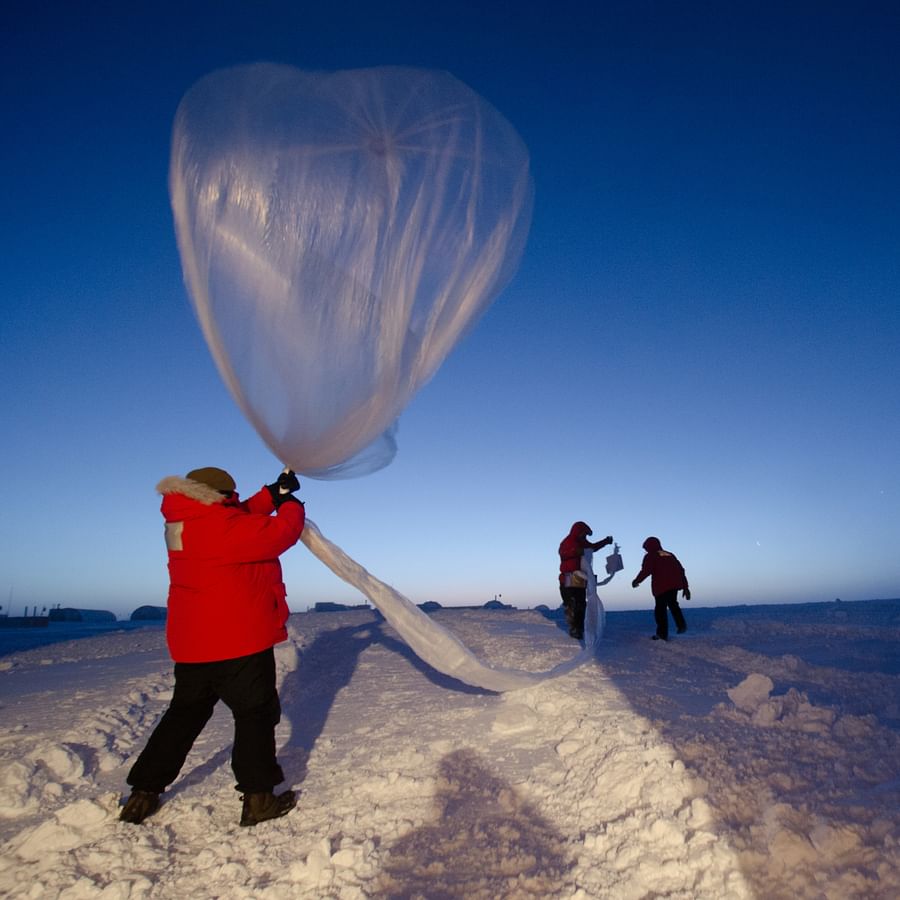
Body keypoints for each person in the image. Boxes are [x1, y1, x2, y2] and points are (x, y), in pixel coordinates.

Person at [119, 466, 305, 827]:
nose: (234, 502)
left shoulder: (182, 523)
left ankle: (143, 793)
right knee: (255, 716)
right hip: (239, 643)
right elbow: (281, 533)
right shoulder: (226, 527)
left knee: (183, 717)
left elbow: (234, 520)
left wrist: (270, 494)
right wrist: (290, 505)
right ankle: (258, 799)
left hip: (193, 645)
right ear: (220, 496)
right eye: (231, 496)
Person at [558, 522, 613, 639]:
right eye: (583, 534)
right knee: (572, 603)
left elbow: (592, 548)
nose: (584, 537)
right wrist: (576, 551)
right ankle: (574, 625)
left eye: (585, 535)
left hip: (580, 577)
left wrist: (605, 542)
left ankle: (579, 628)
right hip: (568, 577)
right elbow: (563, 553)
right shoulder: (568, 542)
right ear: (578, 532)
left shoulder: (582, 542)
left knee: (580, 603)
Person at [631, 536, 690, 641]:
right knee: (673, 605)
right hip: (674, 585)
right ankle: (681, 625)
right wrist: (685, 587)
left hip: (661, 586)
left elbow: (646, 571)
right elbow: (681, 570)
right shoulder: (670, 554)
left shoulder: (651, 556)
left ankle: (662, 635)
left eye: (646, 549)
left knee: (660, 609)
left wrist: (636, 581)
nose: (645, 551)